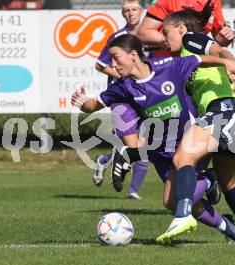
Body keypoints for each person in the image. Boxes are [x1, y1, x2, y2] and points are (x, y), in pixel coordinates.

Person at [71, 34, 235, 243]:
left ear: (133, 55)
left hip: (190, 144)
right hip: (161, 152)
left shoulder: (168, 67)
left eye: (116, 58)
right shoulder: (124, 87)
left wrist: (227, 63)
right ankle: (228, 227)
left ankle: (210, 179)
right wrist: (82, 102)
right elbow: (95, 104)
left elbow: (200, 59)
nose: (113, 64)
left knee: (181, 198)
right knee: (172, 202)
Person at [157, 9, 235, 244]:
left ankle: (183, 214)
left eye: (166, 32)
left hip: (227, 108)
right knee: (228, 182)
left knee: (183, 157)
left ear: (180, 29)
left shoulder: (190, 39)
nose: (163, 38)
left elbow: (218, 50)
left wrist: (229, 61)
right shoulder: (183, 64)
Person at [93, 0, 149, 200]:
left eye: (134, 9)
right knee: (134, 147)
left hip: (145, 95)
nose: (130, 13)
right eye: (126, 10)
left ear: (142, 11)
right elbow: (100, 64)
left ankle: (132, 190)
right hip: (122, 97)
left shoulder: (150, 35)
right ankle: (110, 166)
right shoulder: (117, 37)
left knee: (143, 146)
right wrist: (123, 76)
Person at [137, 0, 235, 48]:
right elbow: (144, 33)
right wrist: (175, 41)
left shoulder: (213, 1)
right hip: (167, 64)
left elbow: (219, 38)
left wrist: (226, 37)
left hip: (196, 60)